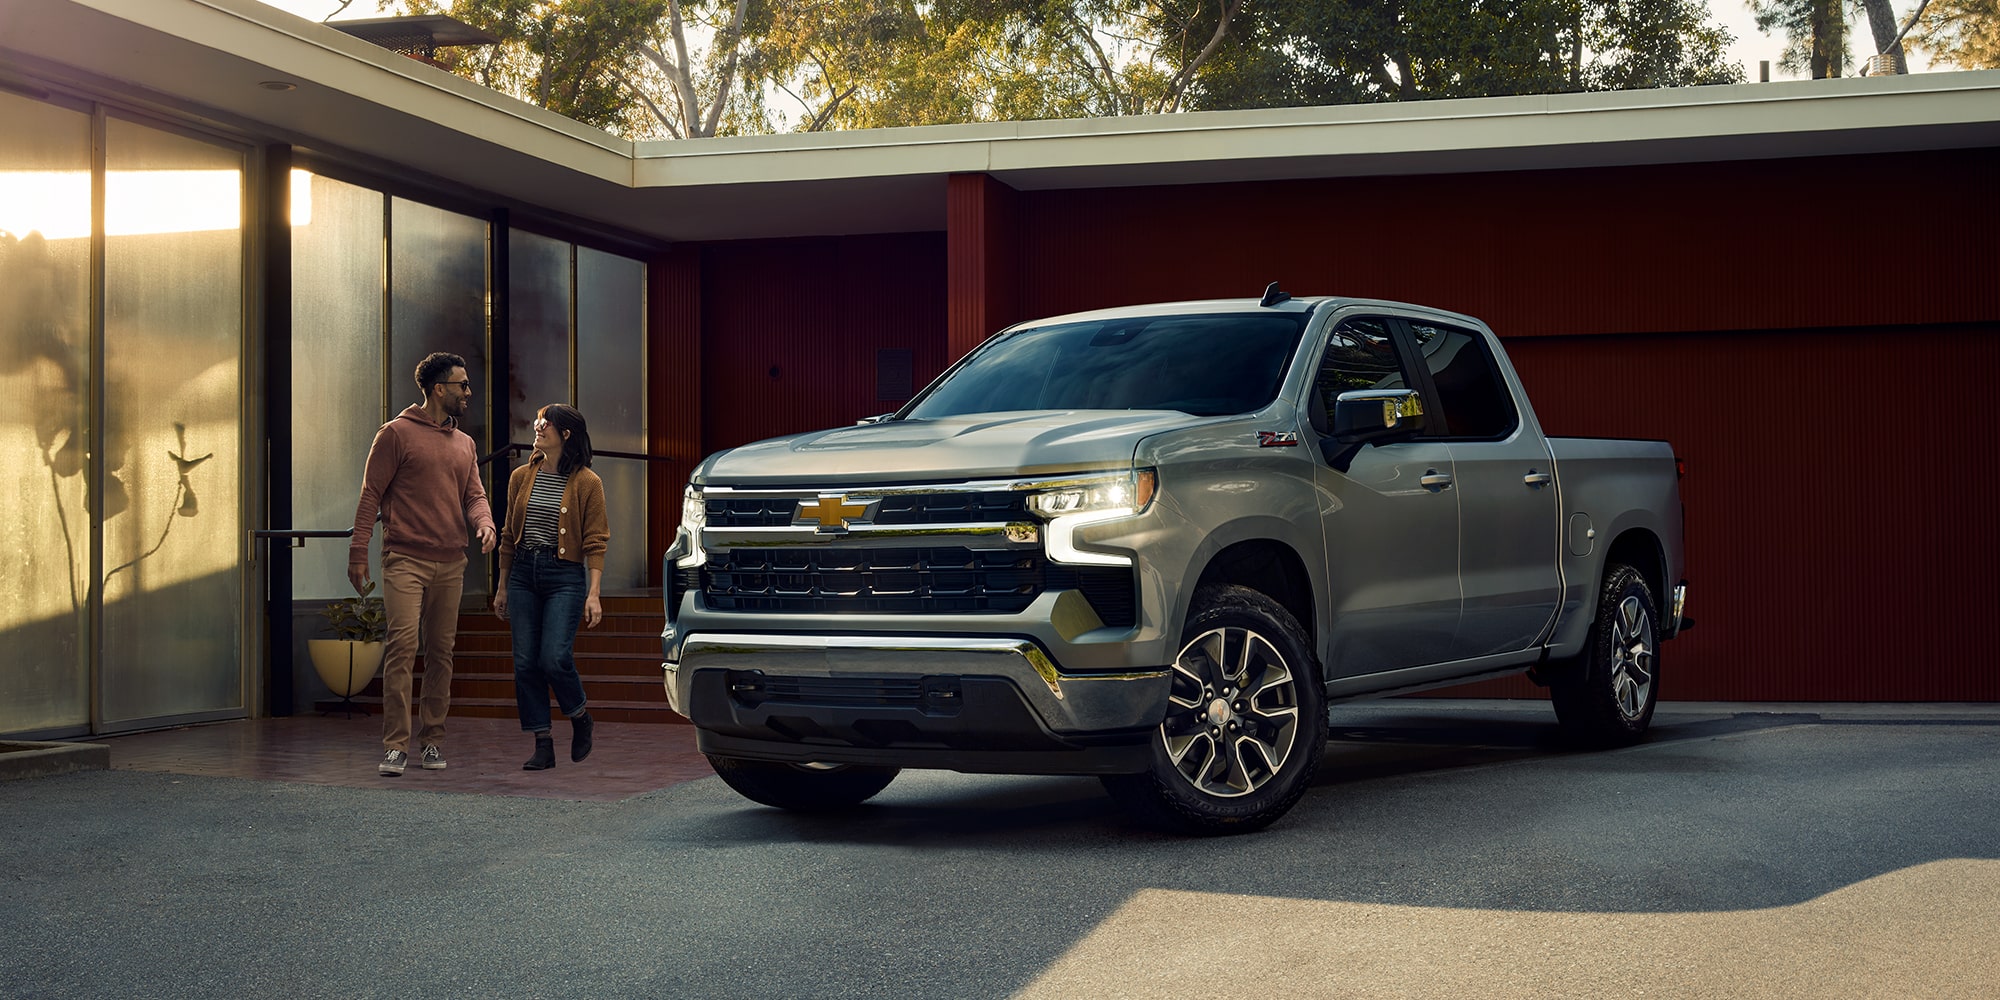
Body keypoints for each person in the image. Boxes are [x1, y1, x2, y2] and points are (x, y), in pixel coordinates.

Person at [349, 352, 497, 777]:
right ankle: (395, 745)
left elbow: (474, 495)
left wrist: (484, 523)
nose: (468, 392)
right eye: (462, 385)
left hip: (451, 562)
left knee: (441, 653)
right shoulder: (395, 434)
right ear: (439, 389)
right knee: (401, 648)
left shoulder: (464, 444)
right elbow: (370, 496)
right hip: (405, 559)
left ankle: (432, 740)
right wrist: (359, 552)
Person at [492, 403, 608, 771]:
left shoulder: (589, 482)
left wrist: (594, 594)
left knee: (553, 657)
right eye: (538, 422)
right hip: (524, 573)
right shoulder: (520, 477)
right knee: (525, 662)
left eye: (546, 424)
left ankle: (580, 716)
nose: (537, 428)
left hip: (565, 577)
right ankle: (543, 742)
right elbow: (509, 536)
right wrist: (503, 586)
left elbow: (596, 541)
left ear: (566, 434)